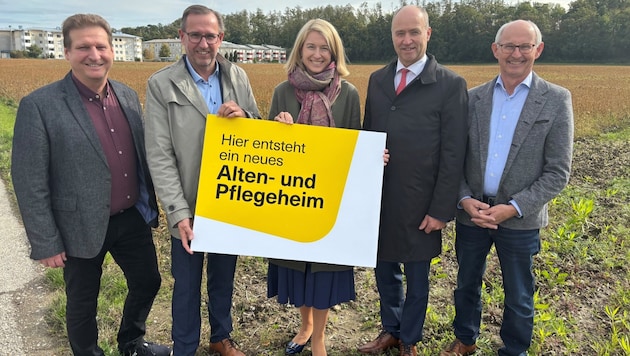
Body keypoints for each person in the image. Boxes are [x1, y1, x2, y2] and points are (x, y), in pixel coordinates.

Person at [11, 14, 170, 356]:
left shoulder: (127, 96)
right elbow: (29, 180)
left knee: (148, 282)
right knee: (82, 301)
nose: (94, 54)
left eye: (101, 46)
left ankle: (131, 343)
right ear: (67, 52)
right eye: (83, 47)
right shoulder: (40, 106)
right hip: (76, 224)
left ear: (111, 50)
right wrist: (46, 242)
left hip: (131, 217)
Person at [440, 20, 574, 356]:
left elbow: (558, 171)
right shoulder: (473, 99)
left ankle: (514, 350)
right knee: (466, 283)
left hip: (520, 220)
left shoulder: (557, 100)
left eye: (524, 47)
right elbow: (454, 158)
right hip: (473, 214)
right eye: (508, 47)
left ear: (537, 50)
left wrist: (512, 207)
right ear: (495, 50)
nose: (516, 54)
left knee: (519, 292)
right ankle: (465, 339)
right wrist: (464, 198)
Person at [143, 5, 260, 356]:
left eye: (210, 35)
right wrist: (178, 212)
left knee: (224, 278)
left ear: (221, 38)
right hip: (189, 206)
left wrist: (245, 117)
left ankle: (220, 337)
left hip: (229, 201)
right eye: (195, 35)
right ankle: (186, 347)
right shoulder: (161, 84)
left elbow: (256, 127)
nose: (203, 43)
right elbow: (159, 154)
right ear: (182, 37)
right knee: (187, 284)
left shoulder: (237, 76)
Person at [358, 5, 468, 356]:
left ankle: (409, 339)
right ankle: (390, 329)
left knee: (418, 278)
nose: (406, 40)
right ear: (392, 36)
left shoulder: (451, 85)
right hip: (382, 197)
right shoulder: (377, 80)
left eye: (414, 32)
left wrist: (440, 210)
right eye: (399, 33)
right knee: (384, 270)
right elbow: (367, 136)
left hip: (423, 202)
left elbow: (454, 153)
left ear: (428, 34)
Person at [266, 19, 361, 356]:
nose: (317, 54)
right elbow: (267, 157)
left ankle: (318, 337)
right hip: (292, 200)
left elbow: (355, 146)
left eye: (324, 48)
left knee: (322, 271)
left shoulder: (347, 94)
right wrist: (280, 133)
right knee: (298, 268)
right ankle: (304, 324)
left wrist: (370, 158)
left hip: (330, 200)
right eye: (311, 47)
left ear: (333, 52)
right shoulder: (282, 92)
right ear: (300, 50)